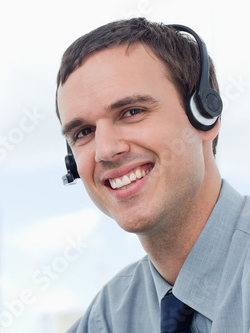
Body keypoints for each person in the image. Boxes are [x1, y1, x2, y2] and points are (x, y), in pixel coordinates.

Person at [55, 17, 250, 332]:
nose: (105, 150)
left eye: (131, 112)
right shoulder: (107, 317)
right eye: (84, 132)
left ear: (205, 114)